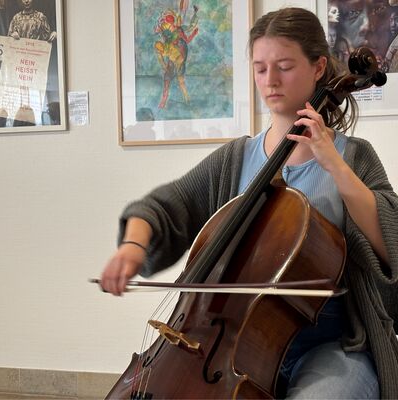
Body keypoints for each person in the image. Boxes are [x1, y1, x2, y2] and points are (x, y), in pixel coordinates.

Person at [101, 7, 398, 399]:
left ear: (319, 67)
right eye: (260, 68)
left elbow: (391, 239)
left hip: (331, 347)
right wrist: (133, 246)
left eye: (285, 66)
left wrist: (335, 166)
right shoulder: (237, 159)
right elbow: (168, 204)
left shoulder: (354, 156)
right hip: (232, 348)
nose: (270, 80)